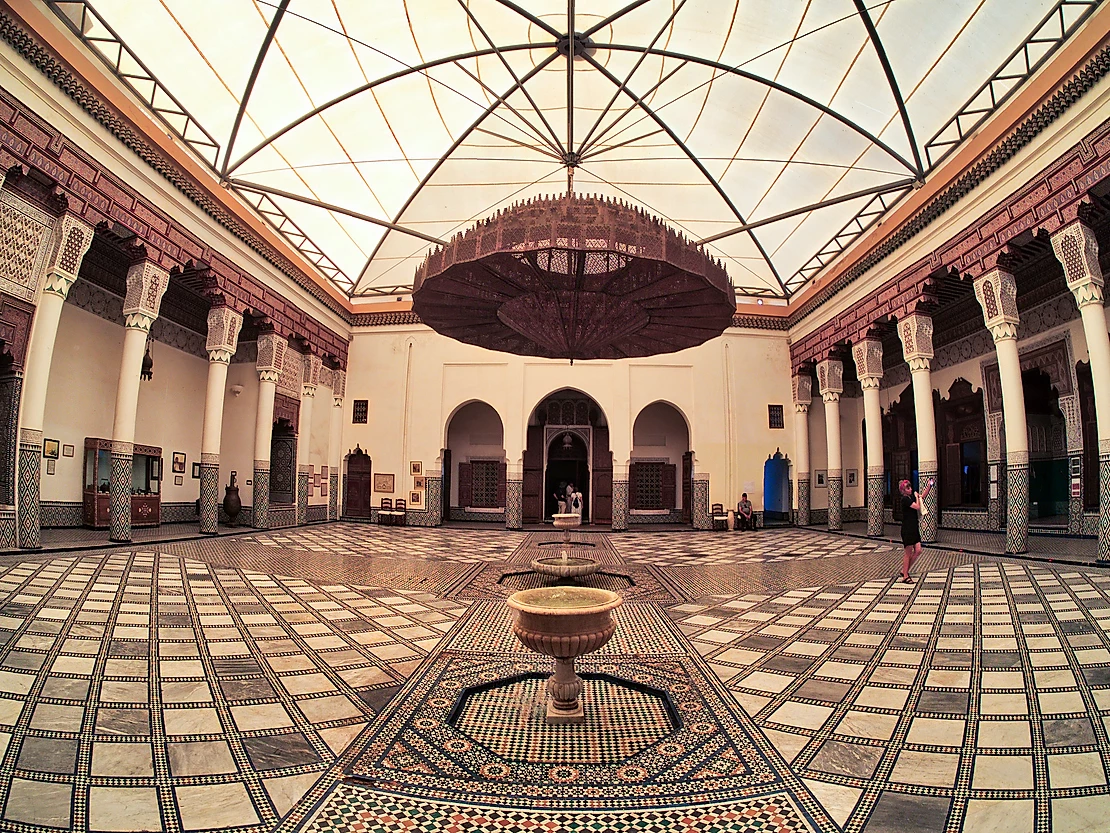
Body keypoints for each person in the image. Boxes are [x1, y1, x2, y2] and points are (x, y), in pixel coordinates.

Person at [899, 477, 933, 583]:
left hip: (914, 527)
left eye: (910, 487)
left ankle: (904, 570)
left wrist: (929, 486)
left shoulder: (911, 498)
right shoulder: (905, 499)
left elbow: (922, 496)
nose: (910, 489)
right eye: (907, 488)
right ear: (903, 491)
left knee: (918, 550)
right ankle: (905, 575)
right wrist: (916, 496)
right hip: (907, 528)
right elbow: (918, 507)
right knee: (908, 552)